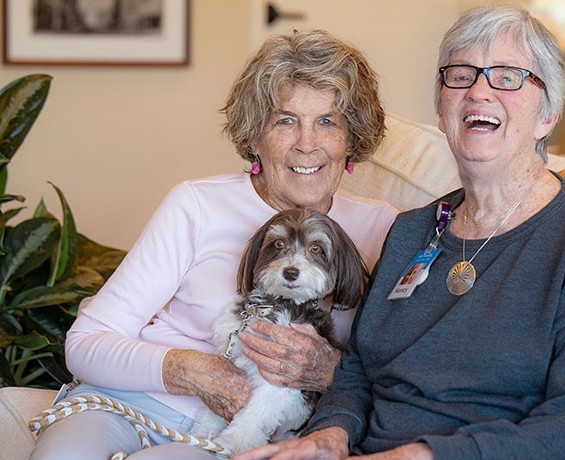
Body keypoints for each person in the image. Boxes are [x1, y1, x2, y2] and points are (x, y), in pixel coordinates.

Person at [236, 5, 565, 460]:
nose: (479, 91)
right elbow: (357, 373)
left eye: (507, 77)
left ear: (548, 114)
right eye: (461, 74)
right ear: (442, 106)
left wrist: (421, 455)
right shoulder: (411, 231)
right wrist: (329, 436)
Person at [29, 29, 398, 460]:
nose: (306, 143)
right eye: (284, 120)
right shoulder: (197, 203)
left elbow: (397, 374)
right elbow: (87, 342)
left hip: (247, 431)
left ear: (352, 137)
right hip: (126, 404)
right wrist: (190, 369)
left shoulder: (383, 227)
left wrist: (328, 372)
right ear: (254, 135)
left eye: (328, 121)